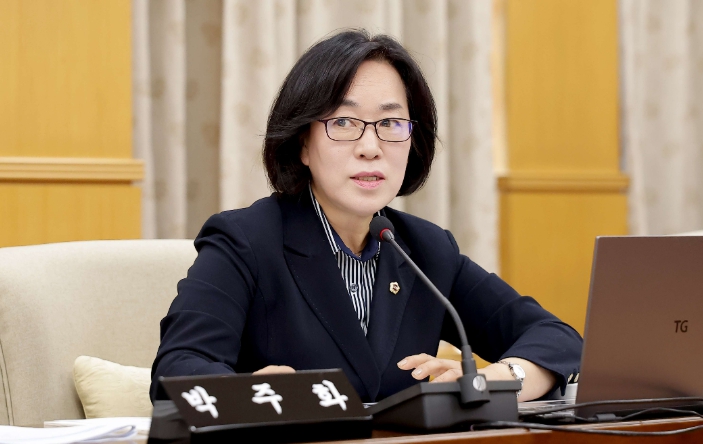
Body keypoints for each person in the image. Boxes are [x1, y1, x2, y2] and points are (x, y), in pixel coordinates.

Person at [150, 30, 582, 403]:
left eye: (391, 123)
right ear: (302, 143)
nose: (370, 147)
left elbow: (559, 340)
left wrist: (494, 380)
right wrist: (257, 394)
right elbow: (178, 369)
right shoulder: (246, 241)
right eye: (343, 122)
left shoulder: (425, 250)